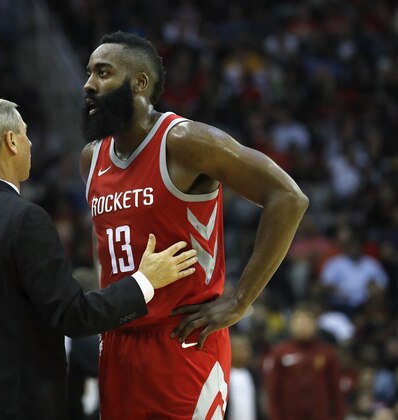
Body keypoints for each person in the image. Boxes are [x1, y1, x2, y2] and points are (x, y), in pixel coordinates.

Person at [0, 98, 199, 419]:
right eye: (25, 134)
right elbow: (73, 315)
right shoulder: (24, 218)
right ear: (10, 141)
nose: (30, 142)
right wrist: (144, 282)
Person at [80, 31, 309, 418]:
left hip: (181, 341)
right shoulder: (91, 158)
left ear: (139, 82)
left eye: (103, 72)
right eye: (88, 73)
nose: (88, 84)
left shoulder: (184, 140)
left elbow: (288, 197)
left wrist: (240, 300)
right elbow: (104, 243)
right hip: (118, 345)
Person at [262, 305, 344, 420]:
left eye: (307, 322)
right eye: (299, 322)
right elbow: (273, 390)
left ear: (315, 325)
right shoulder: (279, 353)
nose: (303, 327)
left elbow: (336, 390)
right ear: (292, 326)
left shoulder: (327, 353)